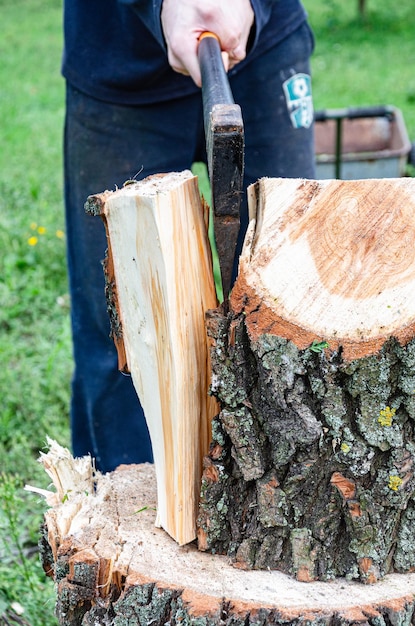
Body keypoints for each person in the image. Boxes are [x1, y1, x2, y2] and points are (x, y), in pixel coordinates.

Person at [62, 0, 316, 473]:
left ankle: (285, 510)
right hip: (116, 58)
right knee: (120, 328)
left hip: (264, 50)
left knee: (293, 304)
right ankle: (127, 518)